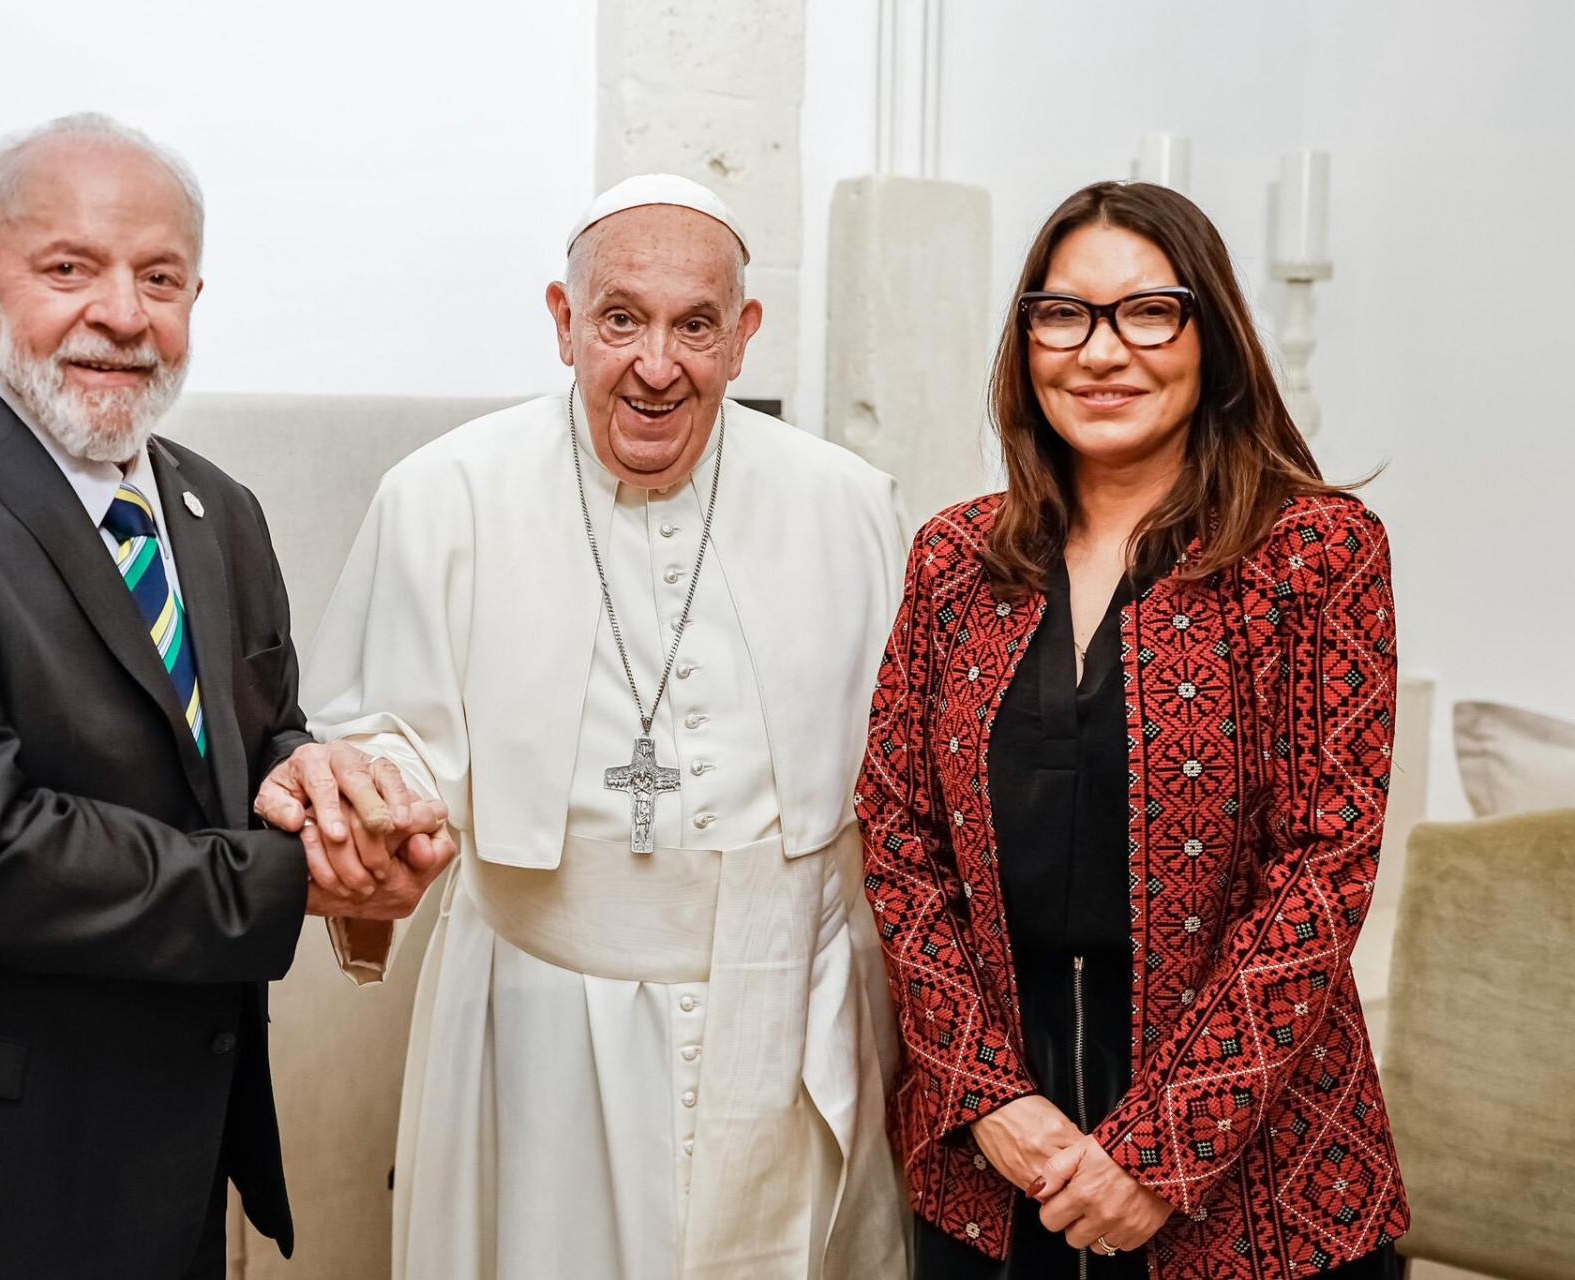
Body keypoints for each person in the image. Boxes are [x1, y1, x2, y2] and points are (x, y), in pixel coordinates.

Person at [0, 113, 452, 1280]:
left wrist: (334, 794)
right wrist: (293, 872)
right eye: (70, 269)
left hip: (163, 1170)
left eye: (159, 277)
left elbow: (253, 745)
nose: (123, 313)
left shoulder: (222, 513)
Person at [287, 174, 909, 1279]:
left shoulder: (849, 502)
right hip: (536, 1026)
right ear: (565, 323)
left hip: (781, 1027)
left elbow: (909, 781)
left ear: (744, 335)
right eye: (621, 318)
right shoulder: (446, 495)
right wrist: (377, 800)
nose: (657, 364)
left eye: (696, 325)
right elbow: (379, 732)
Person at [856, 180, 1408, 1280]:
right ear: (1028, 342)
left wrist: (1163, 1150)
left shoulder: (1316, 552)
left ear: (1212, 333)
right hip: (991, 1171)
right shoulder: (952, 561)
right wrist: (987, 1095)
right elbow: (896, 833)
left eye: (1147, 310)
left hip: (1260, 1177)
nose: (1102, 351)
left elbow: (1324, 867)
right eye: (1064, 315)